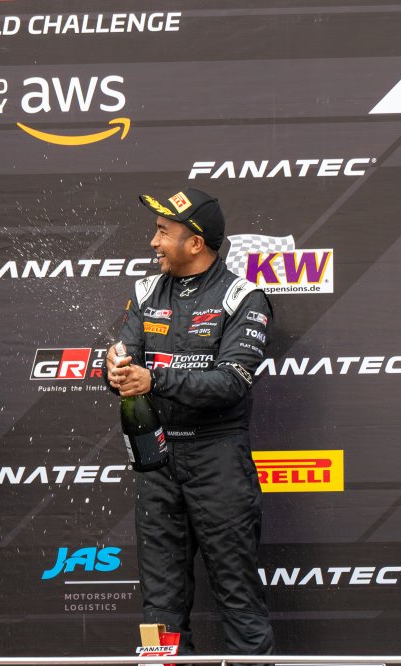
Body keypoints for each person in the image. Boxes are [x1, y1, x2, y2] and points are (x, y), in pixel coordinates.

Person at [104, 188, 274, 655]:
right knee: (159, 607)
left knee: (239, 597)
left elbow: (231, 382)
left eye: (163, 232)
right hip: (157, 462)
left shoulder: (244, 298)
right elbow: (123, 361)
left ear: (196, 242)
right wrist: (114, 369)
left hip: (218, 460)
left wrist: (153, 378)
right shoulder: (145, 292)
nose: (153, 242)